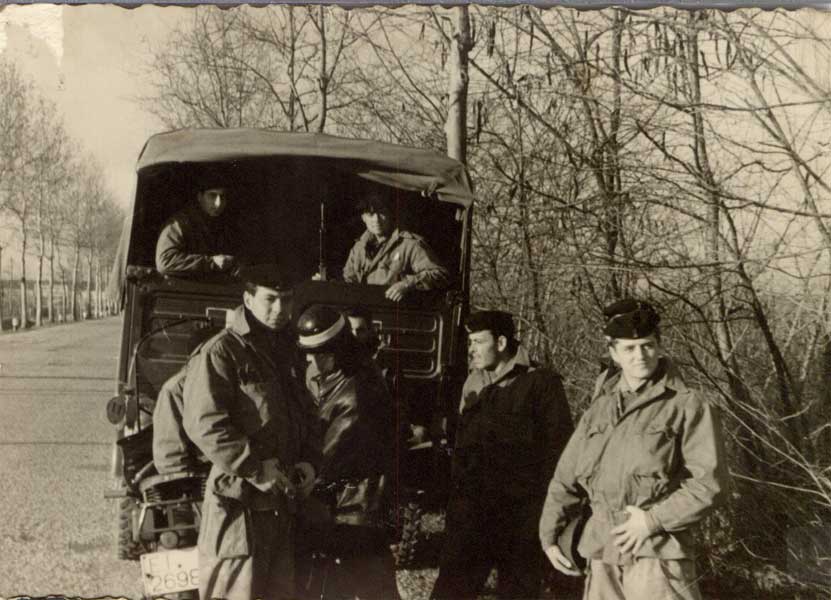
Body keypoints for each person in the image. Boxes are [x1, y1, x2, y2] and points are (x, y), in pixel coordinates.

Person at [539, 299, 730, 600]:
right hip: (602, 550)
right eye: (629, 348)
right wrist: (549, 536)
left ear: (659, 346)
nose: (640, 355)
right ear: (614, 353)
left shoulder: (688, 405)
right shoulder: (599, 409)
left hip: (658, 554)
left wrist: (652, 521)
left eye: (648, 345)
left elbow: (709, 484)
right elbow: (566, 478)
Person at [182, 263, 321, 600]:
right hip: (239, 507)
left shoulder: (287, 351)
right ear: (248, 299)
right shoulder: (222, 352)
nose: (279, 310)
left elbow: (303, 412)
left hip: (280, 504)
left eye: (286, 301)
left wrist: (307, 461)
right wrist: (254, 469)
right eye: (270, 300)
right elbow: (205, 423)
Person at [431, 310, 574, 600]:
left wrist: (545, 513)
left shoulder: (542, 383)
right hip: (472, 512)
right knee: (450, 591)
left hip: (519, 516)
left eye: (478, 342)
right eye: (470, 342)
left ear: (501, 342)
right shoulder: (472, 382)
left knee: (517, 592)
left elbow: (560, 452)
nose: (471, 349)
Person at [295, 304, 401, 600]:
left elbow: (328, 455)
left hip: (359, 508)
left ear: (337, 349)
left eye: (319, 353)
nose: (312, 359)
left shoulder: (356, 390)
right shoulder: (343, 374)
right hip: (352, 504)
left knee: (370, 584)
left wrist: (300, 476)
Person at [342, 191, 449, 301]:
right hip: (365, 310)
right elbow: (348, 281)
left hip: (394, 312)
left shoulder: (409, 244)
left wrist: (408, 284)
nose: (376, 219)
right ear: (363, 218)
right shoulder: (359, 247)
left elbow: (440, 275)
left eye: (381, 213)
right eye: (371, 214)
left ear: (390, 214)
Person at [155, 182, 238, 275]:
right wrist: (211, 262)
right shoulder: (180, 223)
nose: (218, 203)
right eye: (212, 195)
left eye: (222, 196)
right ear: (200, 197)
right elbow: (165, 262)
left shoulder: (223, 225)